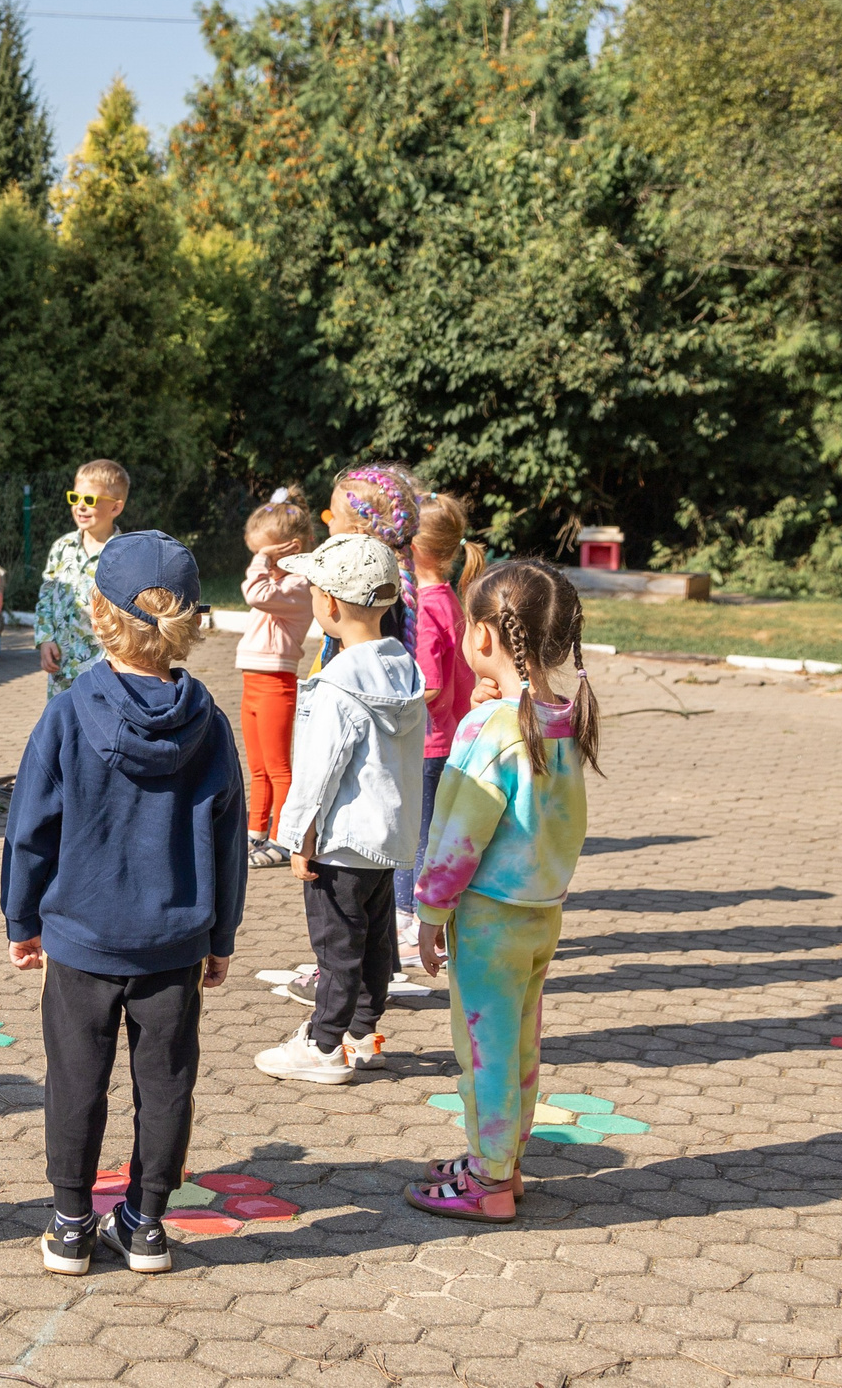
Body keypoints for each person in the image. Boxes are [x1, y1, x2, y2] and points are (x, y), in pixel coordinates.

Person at [1, 532, 246, 1278]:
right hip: (176, 943)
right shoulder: (210, 724)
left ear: (98, 615)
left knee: (75, 1078)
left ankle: (71, 1224)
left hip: (81, 937)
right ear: (191, 623)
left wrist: (21, 917)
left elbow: (30, 827)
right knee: (166, 1083)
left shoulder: (67, 715)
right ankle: (145, 1225)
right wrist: (222, 934)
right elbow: (229, 838)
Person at [407, 561, 600, 1224]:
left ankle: (487, 1179)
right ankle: (505, 1160)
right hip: (541, 913)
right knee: (520, 1045)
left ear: (484, 636)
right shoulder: (561, 717)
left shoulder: (488, 729)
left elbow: (458, 832)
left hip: (488, 919)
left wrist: (431, 911)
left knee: (482, 1052)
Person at [253, 534, 426, 1085]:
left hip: (341, 842)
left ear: (328, 603)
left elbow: (318, 771)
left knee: (336, 949)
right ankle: (363, 1035)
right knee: (375, 945)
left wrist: (298, 837)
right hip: (386, 841)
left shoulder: (335, 684)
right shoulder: (404, 669)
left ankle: (323, 1044)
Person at [395, 494, 485, 970]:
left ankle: (410, 924)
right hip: (447, 739)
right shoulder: (449, 599)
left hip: (427, 743)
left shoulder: (427, 607)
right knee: (429, 831)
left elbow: (429, 685)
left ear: (411, 548)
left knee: (415, 836)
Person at [237, 487, 314, 869]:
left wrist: (261, 561)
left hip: (275, 684)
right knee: (257, 767)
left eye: (267, 554)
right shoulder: (276, 583)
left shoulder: (299, 586)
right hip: (253, 682)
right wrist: (266, 560)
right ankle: (256, 832)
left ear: (291, 549)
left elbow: (254, 593)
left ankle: (283, 840)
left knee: (279, 768)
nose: (263, 562)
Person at [34, 460, 128, 699]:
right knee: (62, 720)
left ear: (115, 508)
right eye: (75, 498)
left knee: (99, 719)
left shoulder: (123, 553)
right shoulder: (61, 547)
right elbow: (46, 596)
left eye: (90, 500)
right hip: (62, 667)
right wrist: (45, 640)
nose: (80, 506)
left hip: (105, 669)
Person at [316, 463, 422, 662]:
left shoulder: (357, 591)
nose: (329, 522)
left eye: (334, 517)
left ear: (357, 532)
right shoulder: (391, 585)